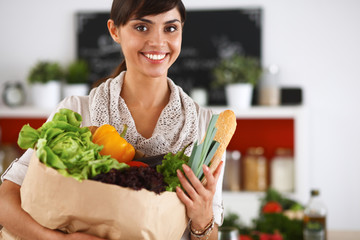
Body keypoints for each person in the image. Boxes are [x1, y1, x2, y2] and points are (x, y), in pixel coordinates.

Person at [0, 0, 225, 239]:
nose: (159, 41)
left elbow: (207, 234)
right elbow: (6, 198)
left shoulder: (206, 126)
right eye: (141, 27)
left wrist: (202, 218)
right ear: (114, 30)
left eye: (170, 28)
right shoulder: (76, 111)